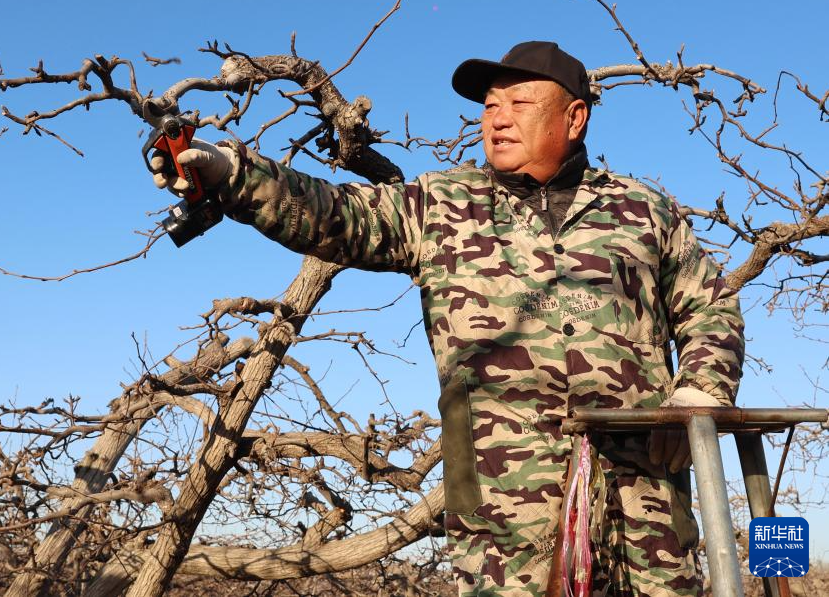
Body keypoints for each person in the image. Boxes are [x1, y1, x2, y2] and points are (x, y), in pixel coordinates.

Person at [149, 41, 744, 597]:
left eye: (520, 104)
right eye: (490, 106)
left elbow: (708, 303)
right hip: (499, 497)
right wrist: (234, 174)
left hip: (642, 487)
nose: (498, 119)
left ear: (574, 118)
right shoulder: (439, 203)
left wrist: (699, 395)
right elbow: (334, 214)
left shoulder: (642, 208)